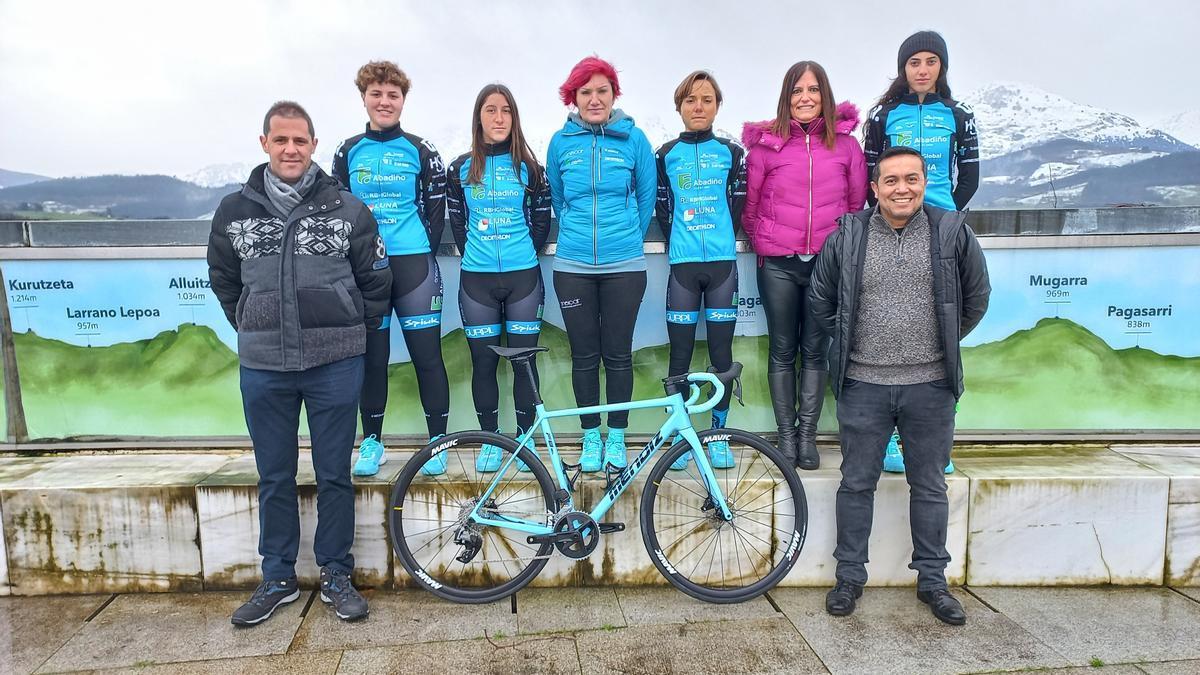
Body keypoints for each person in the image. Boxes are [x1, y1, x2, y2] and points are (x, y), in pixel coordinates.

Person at [209, 101, 390, 625]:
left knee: (335, 473)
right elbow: (223, 277)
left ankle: (336, 572)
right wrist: (250, 321)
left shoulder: (347, 209)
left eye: (301, 141)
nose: (291, 149)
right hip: (264, 365)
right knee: (274, 474)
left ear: (313, 145)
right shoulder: (233, 212)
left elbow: (374, 281)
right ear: (264, 143)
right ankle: (279, 576)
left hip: (335, 362)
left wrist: (351, 327)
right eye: (281, 140)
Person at [809, 145, 990, 625]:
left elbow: (976, 298)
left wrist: (939, 346)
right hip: (862, 383)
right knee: (856, 484)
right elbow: (822, 300)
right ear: (875, 188)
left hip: (930, 385)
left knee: (929, 486)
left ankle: (933, 581)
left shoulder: (951, 232)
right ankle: (849, 577)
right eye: (891, 180)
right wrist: (856, 346)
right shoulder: (848, 236)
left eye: (911, 178)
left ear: (924, 182)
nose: (901, 188)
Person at [863, 30, 980, 474]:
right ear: (903, 69)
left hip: (940, 229)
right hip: (891, 229)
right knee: (894, 325)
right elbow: (870, 173)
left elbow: (968, 176)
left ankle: (937, 441)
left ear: (941, 67)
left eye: (931, 61)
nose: (923, 70)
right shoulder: (882, 114)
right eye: (915, 62)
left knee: (941, 324)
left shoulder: (959, 114)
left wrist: (947, 216)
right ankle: (895, 441)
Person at [742, 61, 867, 470]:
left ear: (825, 96)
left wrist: (838, 251)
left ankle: (808, 436)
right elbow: (752, 206)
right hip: (778, 262)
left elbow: (855, 205)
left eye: (813, 89)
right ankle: (786, 436)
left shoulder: (847, 146)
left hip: (826, 266)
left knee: (816, 350)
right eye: (797, 90)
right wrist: (767, 239)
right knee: (782, 349)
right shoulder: (765, 148)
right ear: (786, 98)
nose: (805, 98)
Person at [332, 60, 450, 476]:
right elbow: (339, 211)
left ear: (403, 100)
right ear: (364, 98)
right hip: (366, 270)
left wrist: (420, 251)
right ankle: (373, 443)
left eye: (393, 95)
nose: (385, 102)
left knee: (427, 357)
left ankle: (438, 442)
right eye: (376, 94)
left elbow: (436, 211)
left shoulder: (421, 150)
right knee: (372, 360)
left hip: (414, 264)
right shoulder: (348, 151)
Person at [546, 56, 657, 473]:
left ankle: (617, 436)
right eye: (585, 92)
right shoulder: (561, 143)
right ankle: (590, 434)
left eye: (602, 91)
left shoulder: (634, 139)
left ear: (614, 95)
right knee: (583, 355)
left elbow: (646, 198)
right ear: (573, 97)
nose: (594, 99)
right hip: (573, 265)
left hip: (624, 264)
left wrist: (626, 233)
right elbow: (559, 198)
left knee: (619, 355)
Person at [447, 84, 551, 472]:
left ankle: (525, 439)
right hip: (477, 281)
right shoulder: (459, 168)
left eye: (506, 110)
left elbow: (541, 220)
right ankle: (490, 440)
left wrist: (522, 250)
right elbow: (457, 223)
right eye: (490, 110)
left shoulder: (529, 167)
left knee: (524, 363)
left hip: (523, 276)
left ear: (514, 117)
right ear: (479, 117)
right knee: (484, 364)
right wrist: (480, 250)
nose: (498, 118)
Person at [654, 70, 745, 471]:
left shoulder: (731, 151)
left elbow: (738, 204)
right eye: (691, 100)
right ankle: (681, 434)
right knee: (681, 354)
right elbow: (662, 208)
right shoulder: (666, 154)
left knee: (722, 357)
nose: (698, 107)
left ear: (717, 106)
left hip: (723, 265)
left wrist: (721, 234)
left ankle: (719, 435)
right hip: (683, 268)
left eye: (707, 100)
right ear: (679, 107)